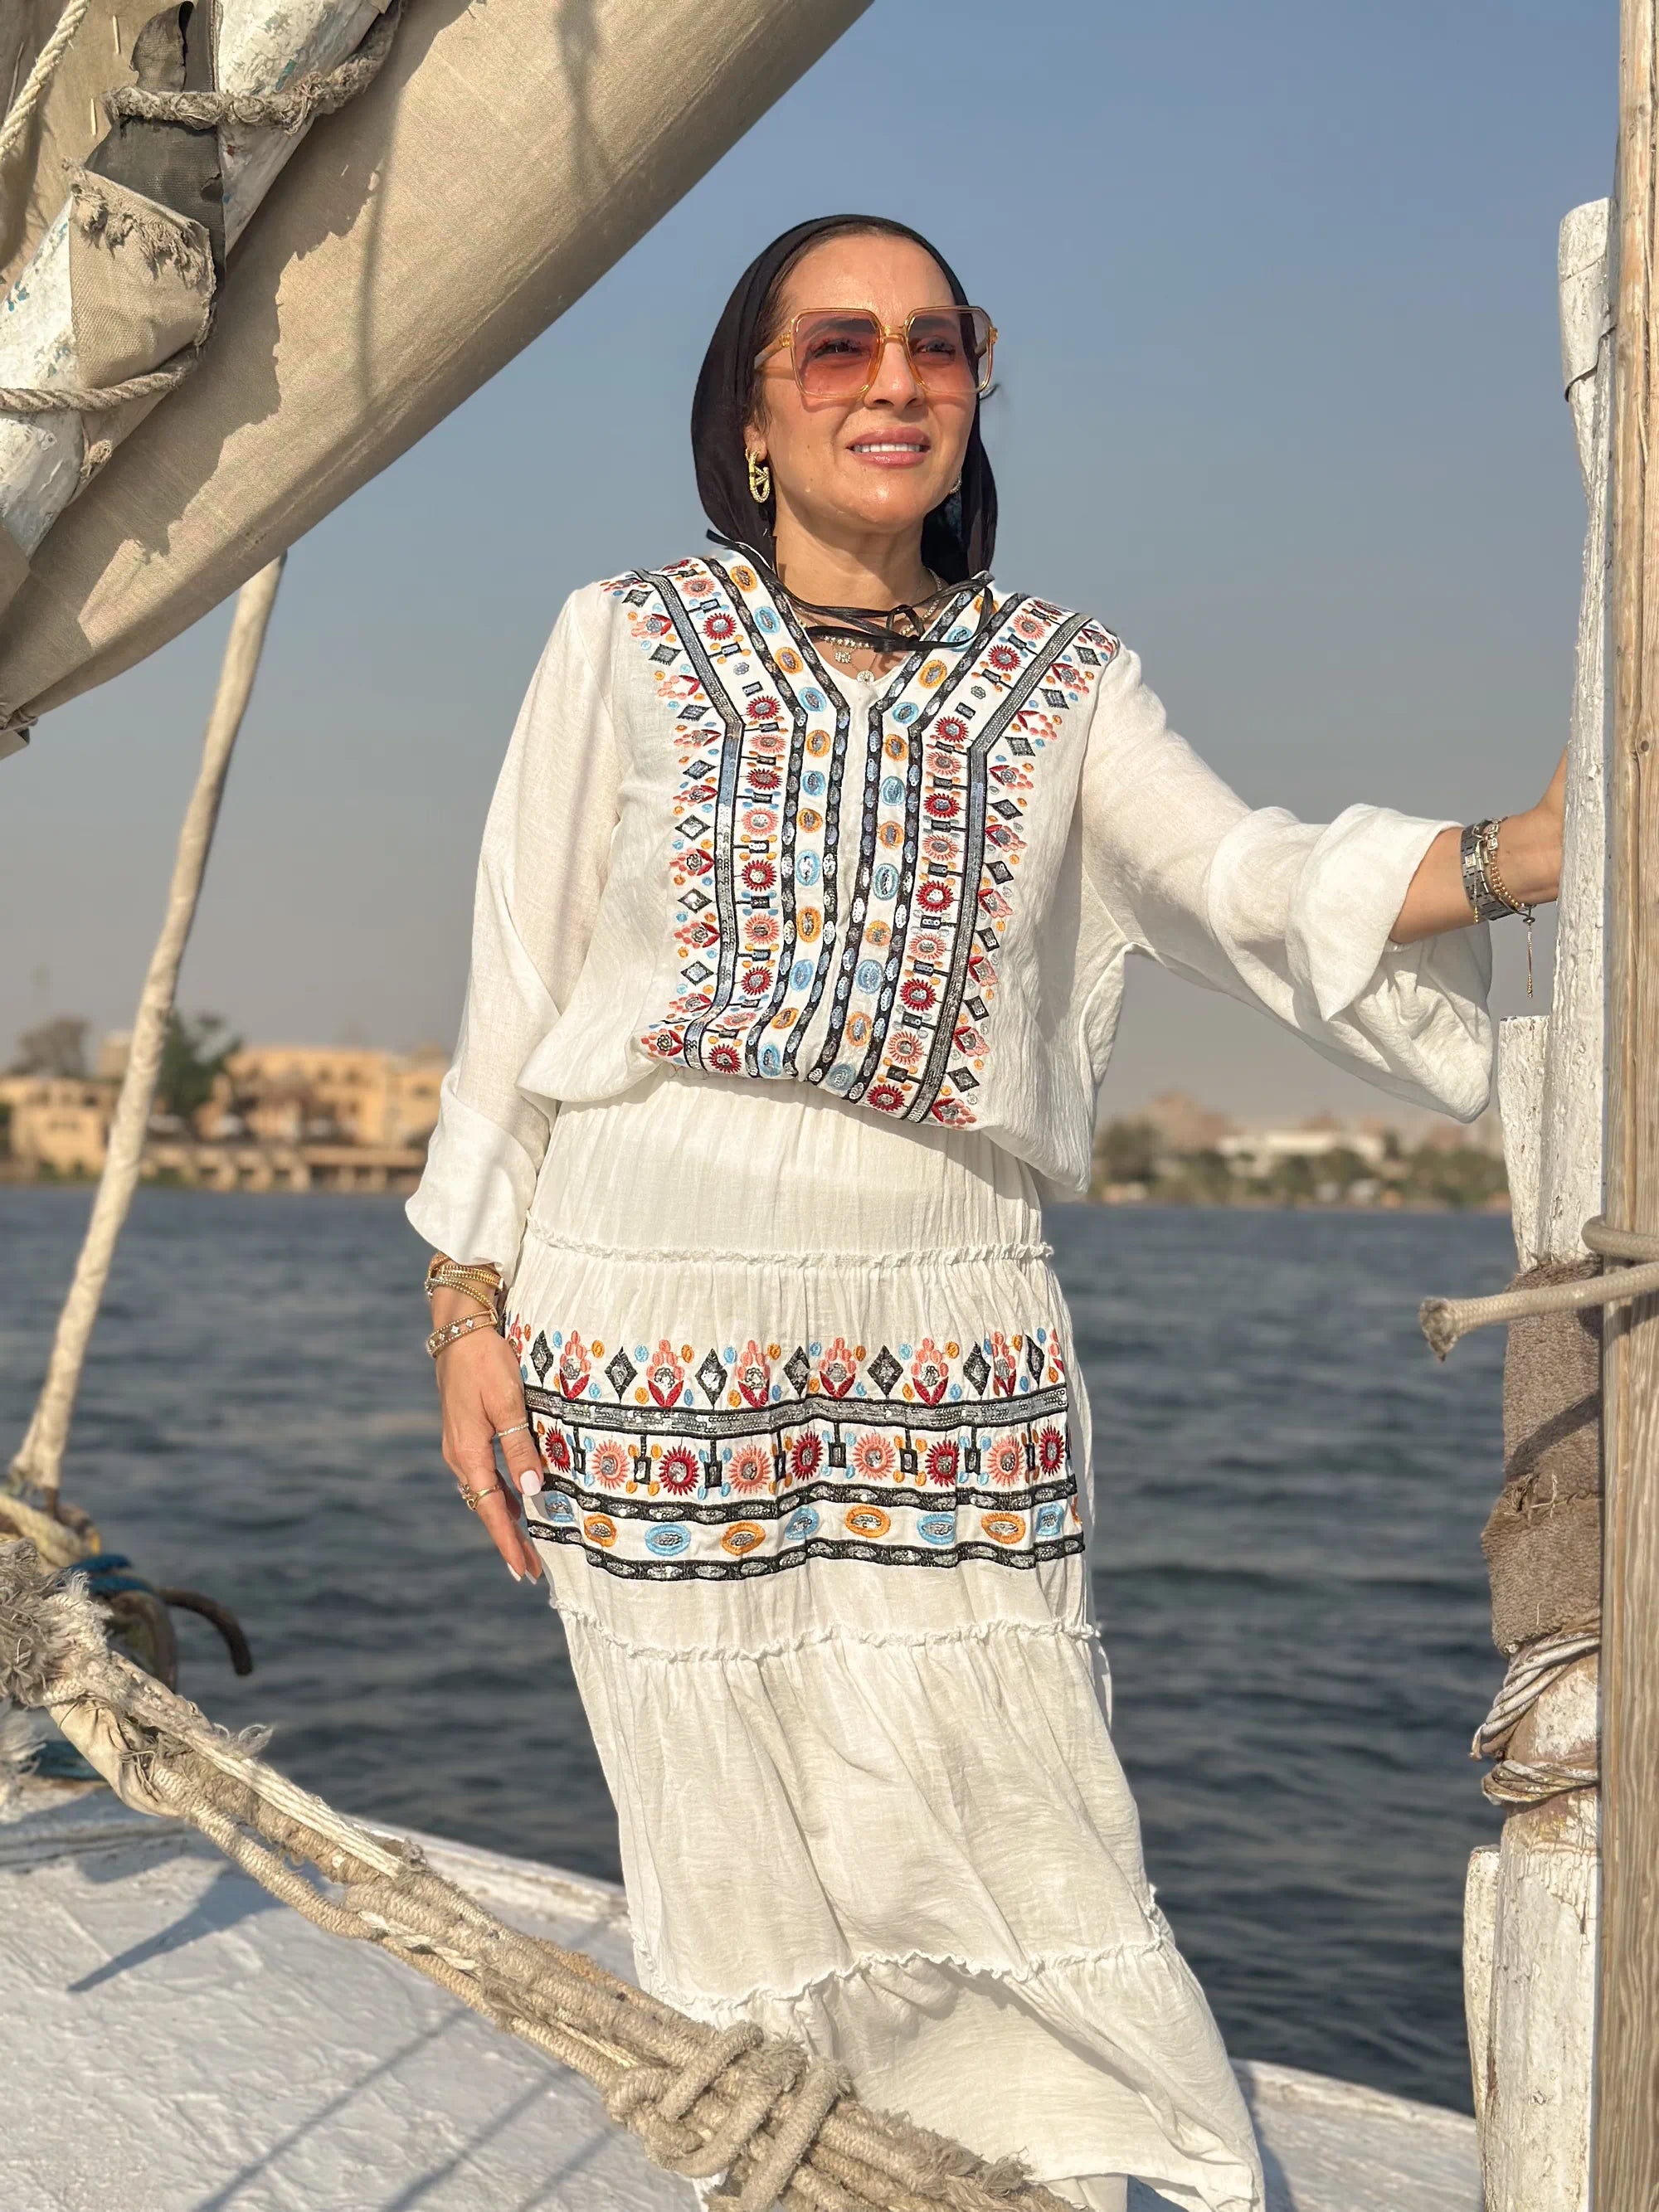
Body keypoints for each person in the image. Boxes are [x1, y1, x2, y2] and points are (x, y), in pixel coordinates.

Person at [407, 213, 1562, 2212]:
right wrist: (464, 1309)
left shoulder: (1063, 679)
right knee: (738, 1846)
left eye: (933, 345)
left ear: (978, 381)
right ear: (752, 410)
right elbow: (515, 987)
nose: (892, 380)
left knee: (1012, 1808)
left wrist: (1524, 851)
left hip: (946, 1298)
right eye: (836, 346)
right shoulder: (624, 632)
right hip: (642, 1287)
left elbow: (1242, 883)